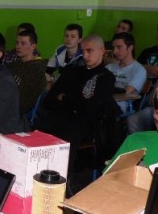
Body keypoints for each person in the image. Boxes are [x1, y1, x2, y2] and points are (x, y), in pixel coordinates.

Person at [35, 34, 118, 174]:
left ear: (102, 51)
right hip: (61, 117)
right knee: (38, 129)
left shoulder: (106, 78)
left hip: (86, 124)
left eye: (90, 51)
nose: (85, 55)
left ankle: (62, 179)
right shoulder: (72, 71)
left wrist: (65, 98)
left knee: (67, 137)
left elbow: (91, 108)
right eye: (83, 51)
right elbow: (50, 100)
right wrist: (76, 102)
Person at [6, 28, 47, 114]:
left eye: (23, 43)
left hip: (14, 112)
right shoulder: (13, 65)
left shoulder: (36, 70)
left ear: (33, 46)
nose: (18, 46)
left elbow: (24, 102)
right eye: (17, 43)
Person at [105, 32, 146, 115]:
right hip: (104, 100)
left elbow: (125, 93)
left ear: (130, 48)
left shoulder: (139, 70)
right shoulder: (109, 67)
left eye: (119, 47)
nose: (115, 51)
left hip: (122, 104)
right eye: (114, 47)